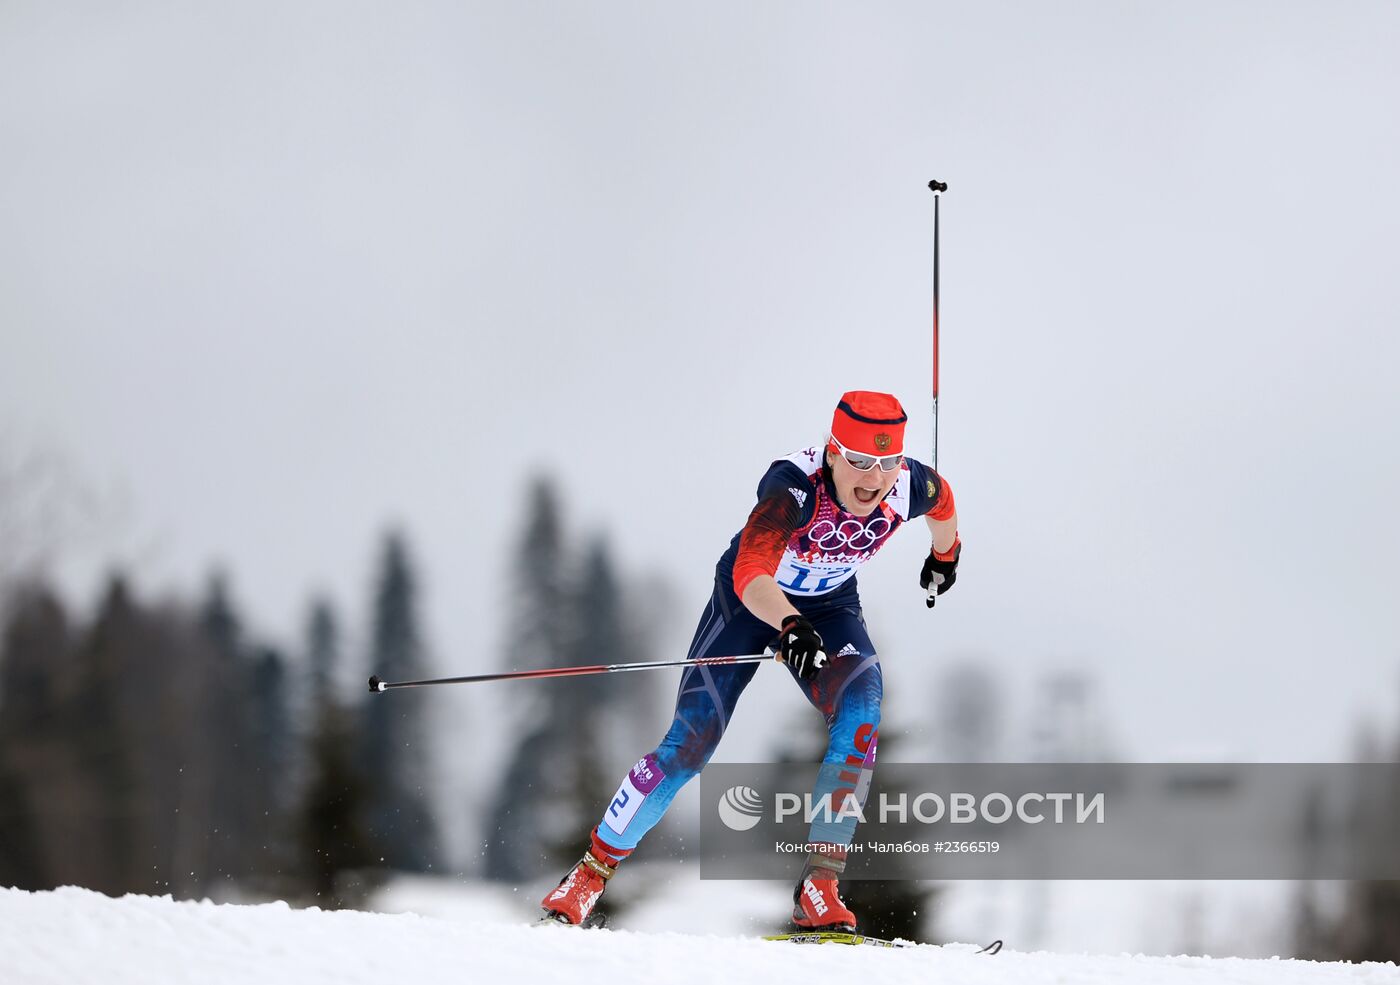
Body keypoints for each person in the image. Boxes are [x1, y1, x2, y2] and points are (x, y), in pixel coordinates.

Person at [540, 390, 960, 930]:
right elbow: (751, 573)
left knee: (863, 707)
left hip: (829, 607)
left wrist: (945, 557)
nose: (873, 479)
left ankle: (820, 886)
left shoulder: (908, 485)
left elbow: (944, 502)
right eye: (858, 461)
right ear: (832, 452)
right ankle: (590, 874)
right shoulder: (791, 488)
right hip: (749, 601)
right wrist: (788, 624)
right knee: (691, 745)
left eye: (886, 463)